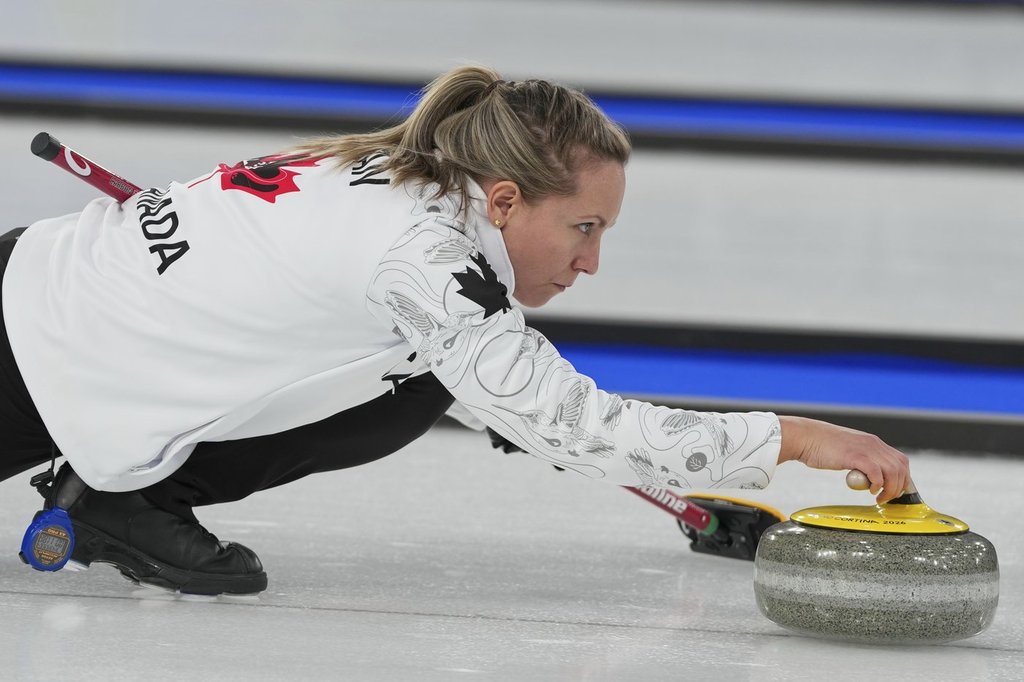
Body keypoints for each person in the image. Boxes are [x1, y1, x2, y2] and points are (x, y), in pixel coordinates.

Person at [0, 65, 910, 596]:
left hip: (42, 298)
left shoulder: (406, 174)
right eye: (584, 229)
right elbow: (574, 422)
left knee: (420, 380)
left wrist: (503, 396)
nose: (590, 263)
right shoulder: (425, 260)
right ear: (506, 200)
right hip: (33, 357)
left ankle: (129, 498)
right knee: (430, 375)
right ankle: (125, 495)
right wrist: (793, 437)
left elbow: (499, 378)